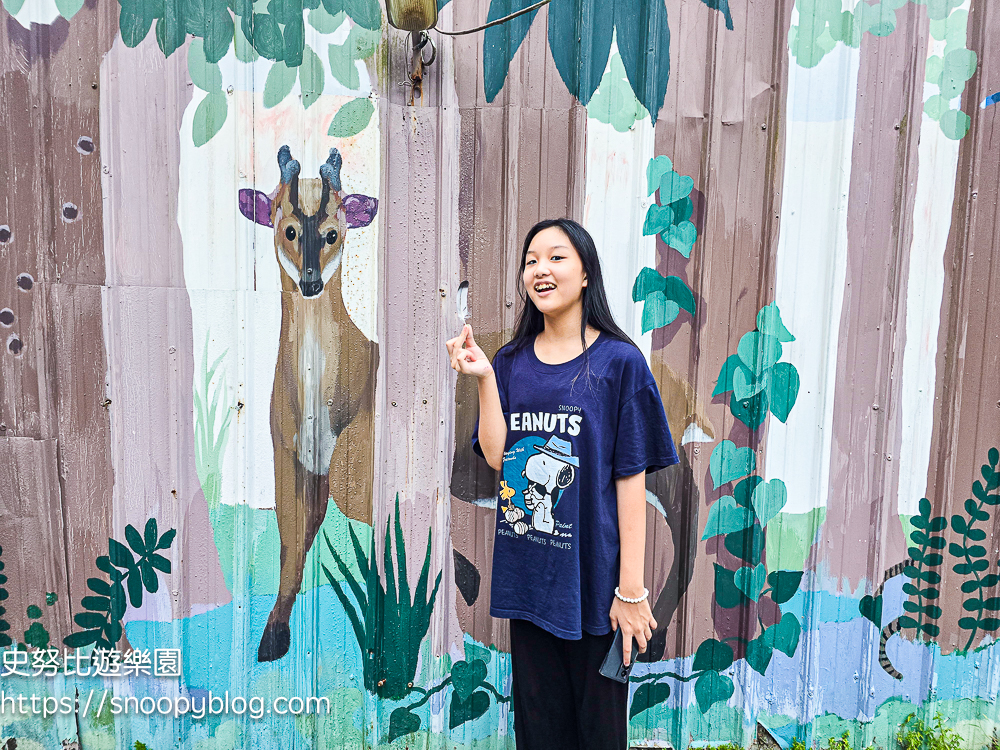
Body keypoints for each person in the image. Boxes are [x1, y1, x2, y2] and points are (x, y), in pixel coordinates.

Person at [445, 218, 679, 749]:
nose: (540, 270)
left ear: (586, 273)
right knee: (539, 734)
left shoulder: (620, 364)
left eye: (556, 257)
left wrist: (631, 592)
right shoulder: (510, 362)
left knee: (598, 735)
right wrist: (485, 379)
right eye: (531, 260)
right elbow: (500, 457)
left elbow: (631, 483)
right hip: (530, 583)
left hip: (598, 590)